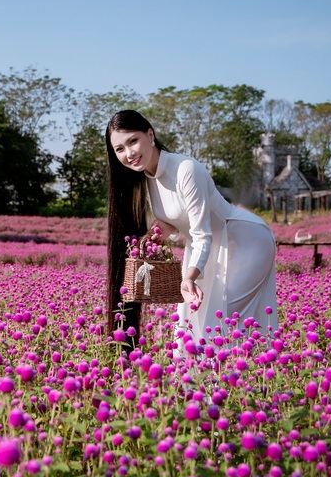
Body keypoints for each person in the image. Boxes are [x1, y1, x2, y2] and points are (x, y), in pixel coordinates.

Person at [105, 109, 277, 351]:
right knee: (192, 323)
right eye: (119, 149)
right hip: (203, 248)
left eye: (133, 141)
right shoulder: (148, 178)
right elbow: (180, 219)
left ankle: (243, 372)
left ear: (150, 135)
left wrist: (188, 277)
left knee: (223, 320)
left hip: (244, 241)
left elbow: (202, 232)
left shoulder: (186, 169)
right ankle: (205, 376)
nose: (129, 153)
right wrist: (162, 230)